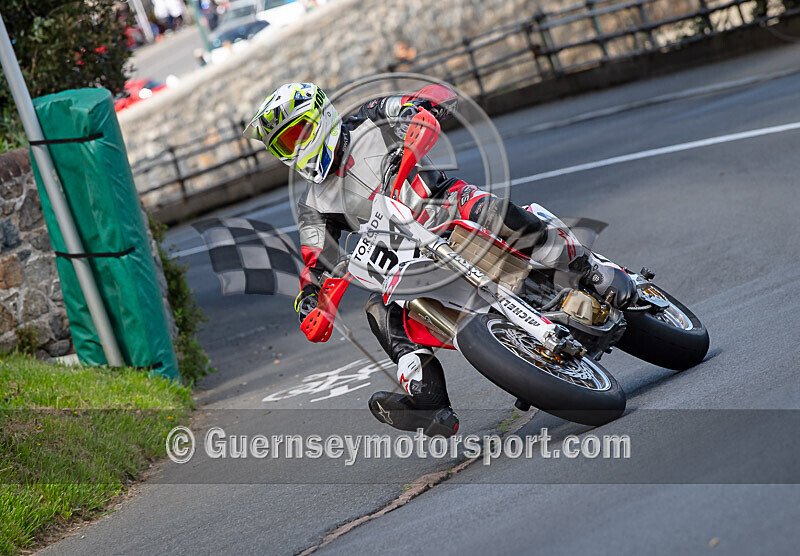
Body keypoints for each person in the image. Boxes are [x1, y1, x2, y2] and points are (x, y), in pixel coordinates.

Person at [245, 82, 636, 437]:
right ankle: (428, 399)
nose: (296, 148)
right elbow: (315, 260)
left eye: (298, 133)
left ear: (322, 117)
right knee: (379, 308)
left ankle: (590, 270)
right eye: (284, 144)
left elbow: (432, 99)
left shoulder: (371, 116)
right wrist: (311, 301)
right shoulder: (312, 205)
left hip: (447, 207)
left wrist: (420, 116)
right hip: (403, 253)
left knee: (489, 210)